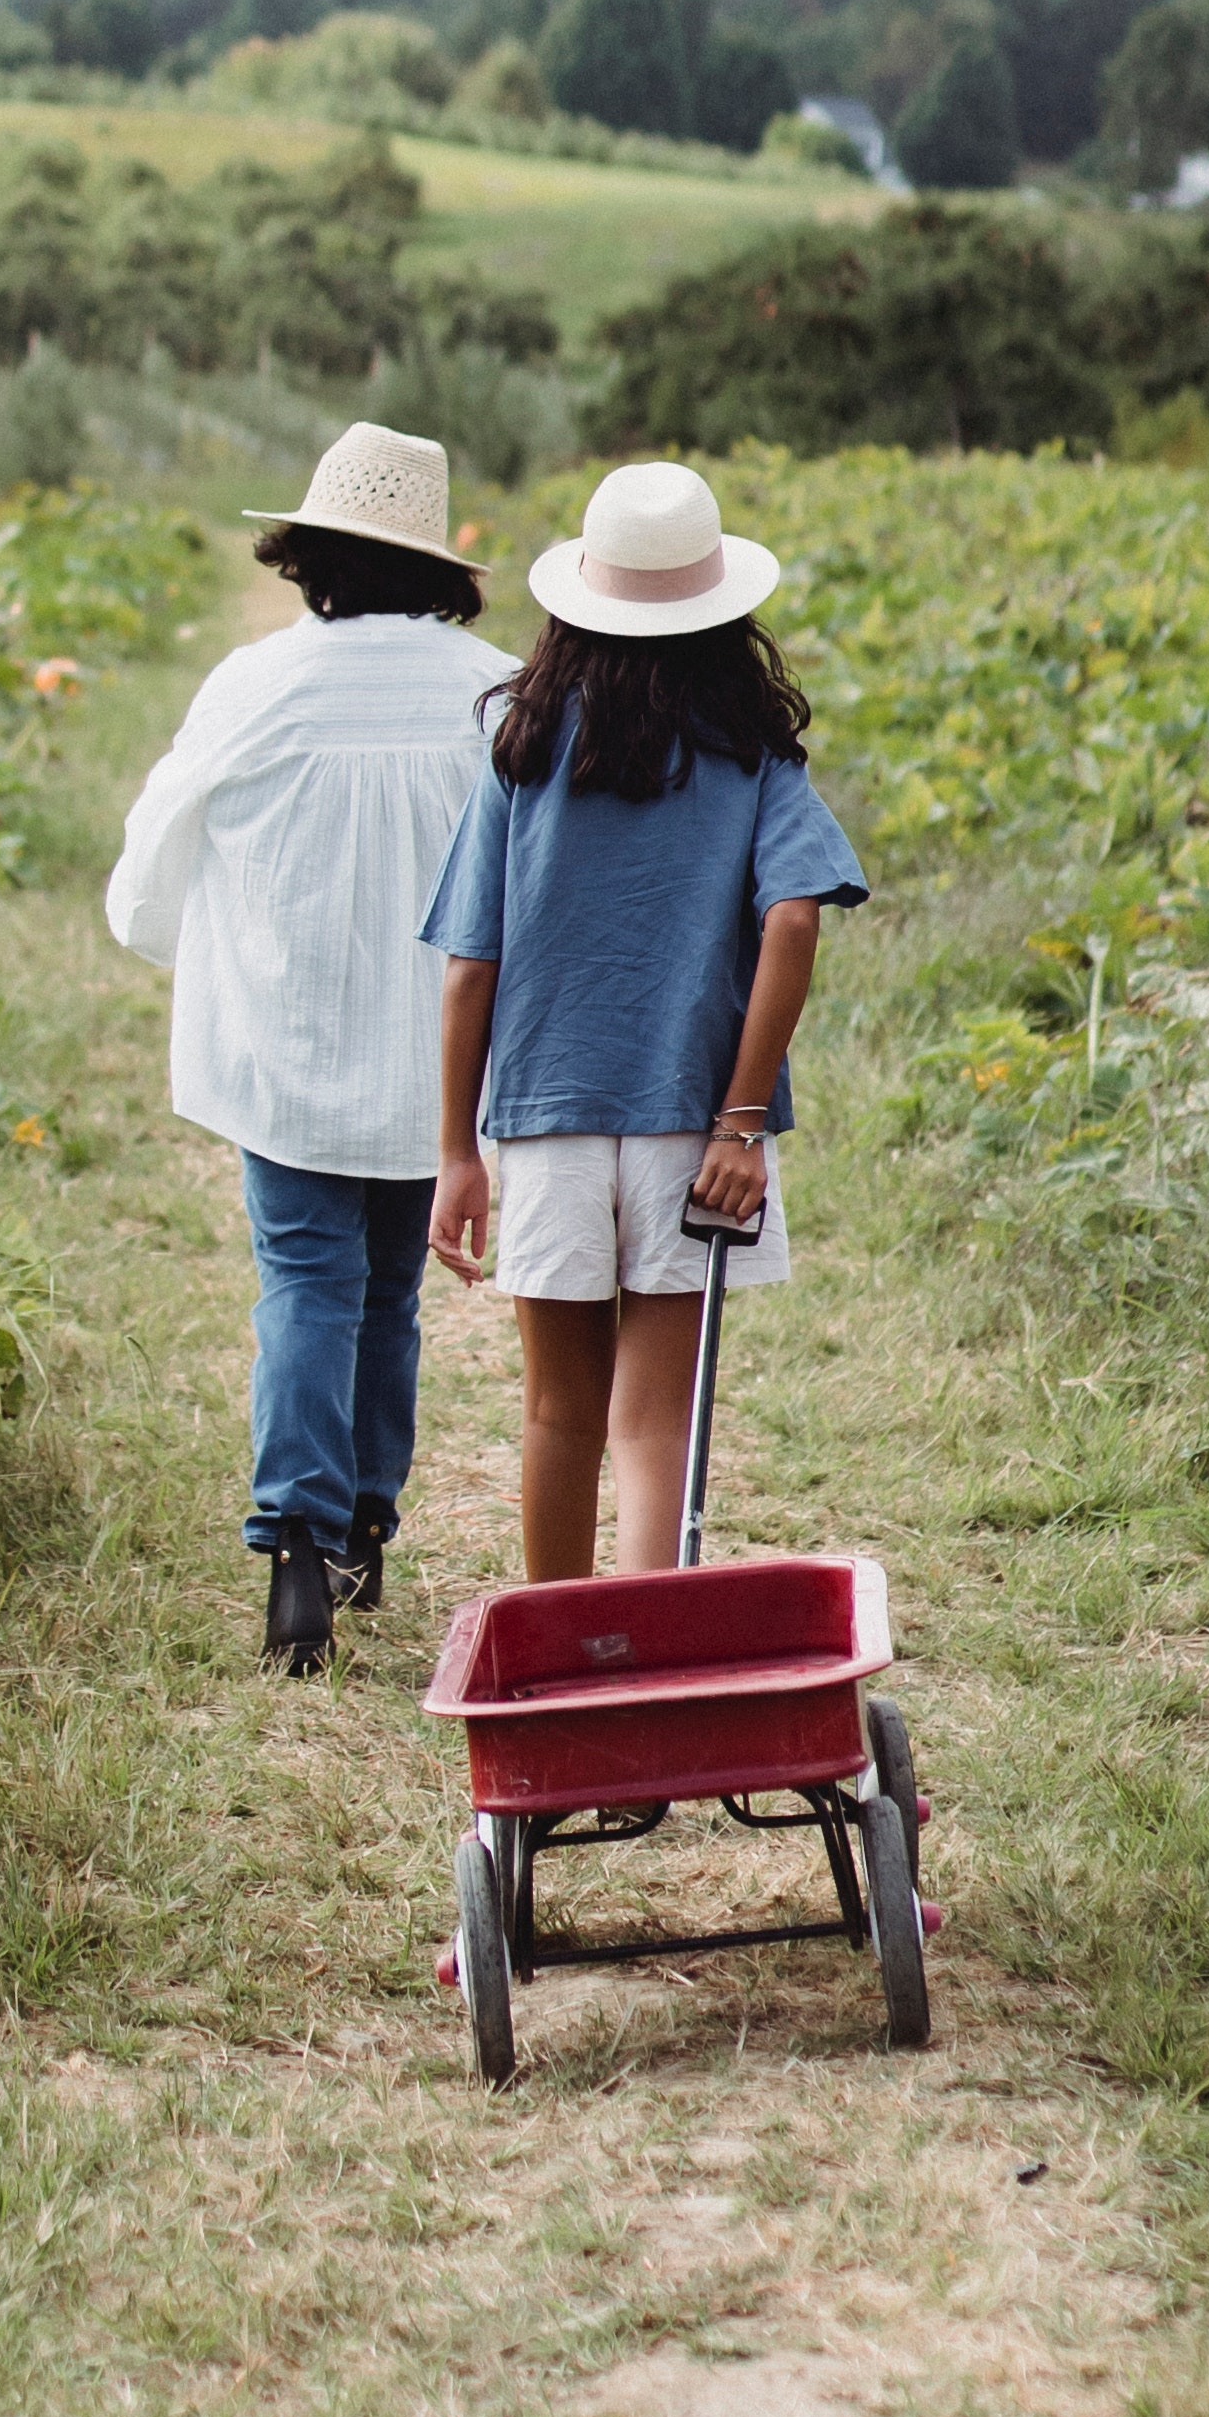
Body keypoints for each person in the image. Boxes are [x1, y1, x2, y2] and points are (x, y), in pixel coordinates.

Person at [104, 422, 507, 1678]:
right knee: (391, 1290)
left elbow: (156, 853)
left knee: (304, 1283)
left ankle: (296, 1547)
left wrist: (164, 935)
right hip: (435, 1059)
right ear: (435, 561)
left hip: (290, 1047)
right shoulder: (495, 690)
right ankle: (366, 1523)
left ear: (310, 555)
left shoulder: (253, 686)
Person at [421, 455, 865, 1589]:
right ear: (726, 614)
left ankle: (563, 1662)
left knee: (557, 1412)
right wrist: (742, 1117)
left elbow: (471, 965)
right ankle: (647, 1667)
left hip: (544, 1113)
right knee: (654, 1422)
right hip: (689, 1125)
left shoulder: (519, 749)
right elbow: (796, 922)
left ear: (576, 603)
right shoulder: (755, 755)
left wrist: (454, 1154)